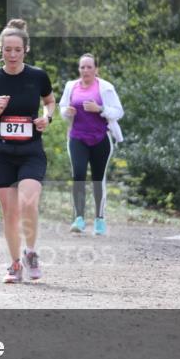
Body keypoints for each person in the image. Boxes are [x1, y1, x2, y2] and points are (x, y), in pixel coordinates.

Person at [0, 19, 56, 283]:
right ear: (0, 49)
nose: (12, 54)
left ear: (26, 50)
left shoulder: (38, 76)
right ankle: (14, 264)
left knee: (28, 202)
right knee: (9, 212)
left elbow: (49, 101)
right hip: (1, 152)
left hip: (31, 150)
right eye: (7, 49)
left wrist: (47, 118)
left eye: (17, 50)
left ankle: (31, 253)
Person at [58, 53, 124, 236]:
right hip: (77, 138)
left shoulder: (106, 88)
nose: (85, 70)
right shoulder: (71, 86)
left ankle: (99, 219)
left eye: (89, 67)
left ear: (96, 69)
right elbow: (62, 107)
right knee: (78, 174)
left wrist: (100, 109)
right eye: (82, 67)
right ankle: (78, 218)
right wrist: (67, 111)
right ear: (78, 69)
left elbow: (119, 112)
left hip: (100, 139)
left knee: (97, 179)